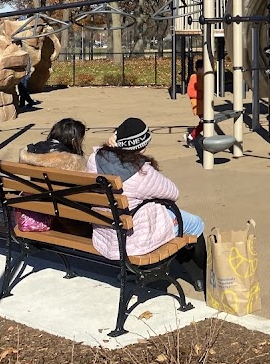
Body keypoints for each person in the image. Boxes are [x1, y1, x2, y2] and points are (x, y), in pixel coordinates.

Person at [87, 118, 205, 282]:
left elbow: (103, 151)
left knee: (172, 217)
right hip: (134, 240)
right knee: (195, 223)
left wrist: (113, 143)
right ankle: (200, 276)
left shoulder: (95, 159)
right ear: (142, 145)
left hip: (105, 233)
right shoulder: (141, 173)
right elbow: (173, 193)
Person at [14, 118, 88, 231]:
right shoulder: (73, 161)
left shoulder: (31, 152)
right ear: (73, 140)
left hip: (37, 207)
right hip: (64, 218)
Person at [185, 68, 204, 146]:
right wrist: (201, 94)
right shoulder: (194, 77)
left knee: (204, 123)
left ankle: (191, 136)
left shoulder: (204, 77)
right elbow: (190, 92)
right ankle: (191, 136)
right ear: (199, 69)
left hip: (204, 104)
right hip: (198, 104)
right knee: (205, 122)